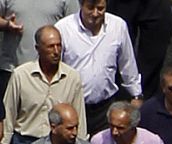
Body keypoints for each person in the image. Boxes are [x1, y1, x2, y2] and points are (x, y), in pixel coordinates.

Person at [55, 0, 139, 131]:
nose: (95, 13)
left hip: (105, 107)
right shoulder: (63, 28)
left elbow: (127, 63)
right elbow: (55, 68)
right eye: (90, 8)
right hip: (73, 106)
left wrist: (136, 95)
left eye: (100, 9)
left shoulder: (118, 26)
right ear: (81, 5)